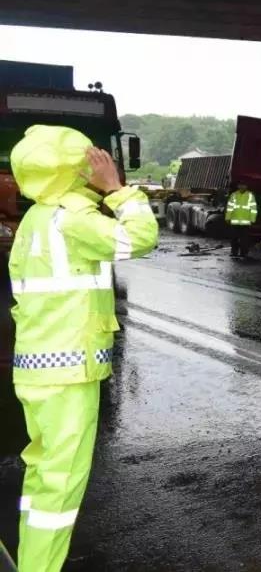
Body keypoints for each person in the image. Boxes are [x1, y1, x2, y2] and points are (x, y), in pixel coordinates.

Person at [8, 125, 158, 572]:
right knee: (60, 487)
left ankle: (33, 559)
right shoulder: (71, 219)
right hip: (69, 372)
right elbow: (140, 238)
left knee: (44, 477)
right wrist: (117, 190)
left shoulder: (34, 219)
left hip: (38, 369)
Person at [225, 182, 258, 258]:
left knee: (244, 240)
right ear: (238, 186)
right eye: (240, 185)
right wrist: (227, 218)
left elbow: (253, 209)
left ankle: (243, 253)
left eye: (244, 185)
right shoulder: (234, 195)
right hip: (235, 221)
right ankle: (234, 252)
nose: (242, 187)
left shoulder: (250, 196)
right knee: (234, 239)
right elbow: (229, 208)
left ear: (246, 186)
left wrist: (252, 219)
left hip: (246, 222)